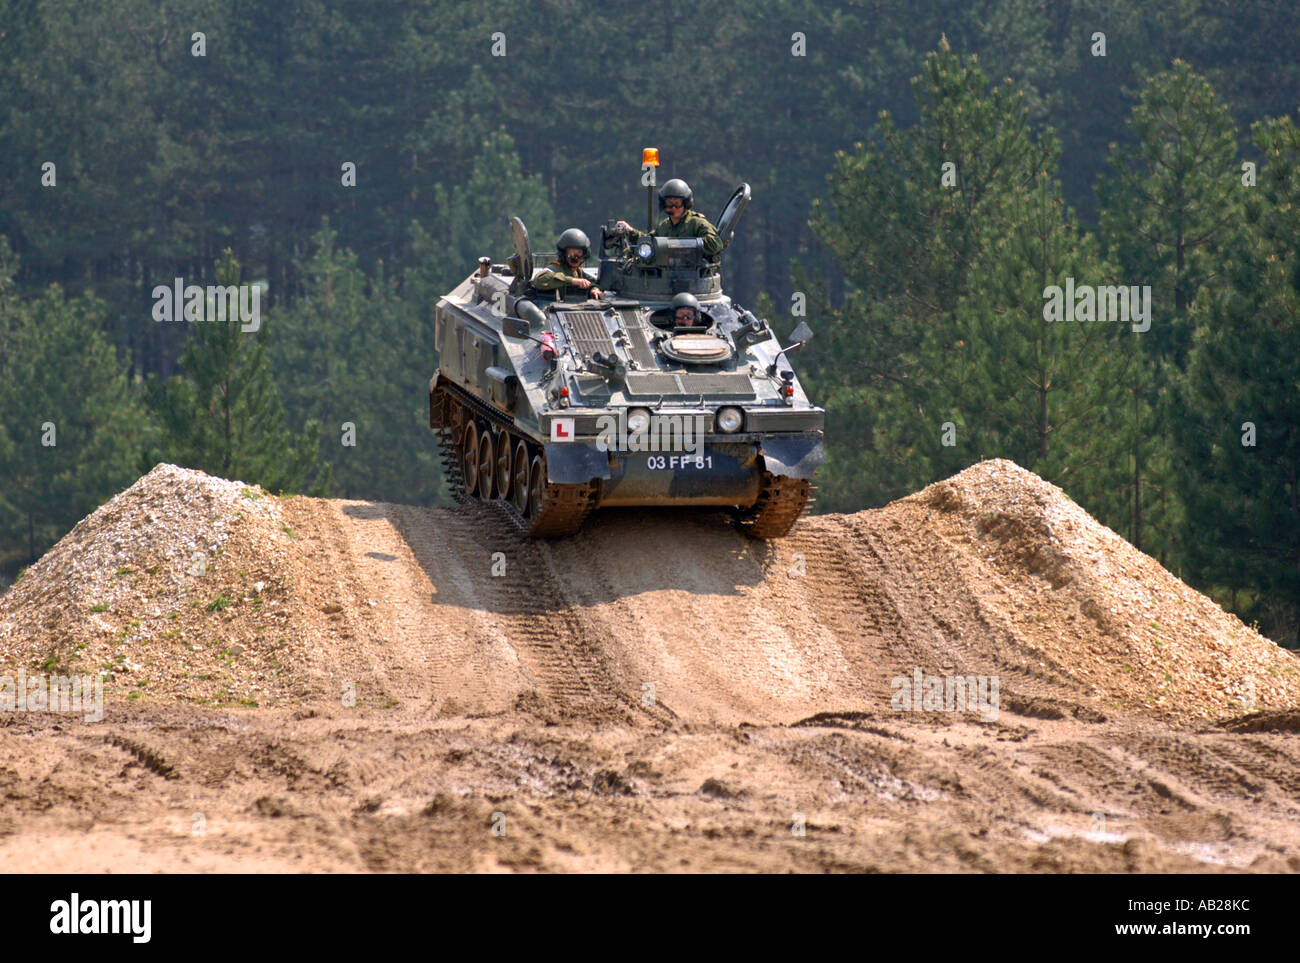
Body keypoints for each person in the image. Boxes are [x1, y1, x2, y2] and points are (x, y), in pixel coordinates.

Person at [616, 179, 723, 258]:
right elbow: (649, 241)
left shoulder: (697, 223)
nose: (673, 207)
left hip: (692, 276)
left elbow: (716, 243)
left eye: (677, 203)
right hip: (666, 275)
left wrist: (686, 245)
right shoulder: (665, 226)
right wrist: (630, 231)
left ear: (686, 203)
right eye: (669, 203)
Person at [532, 228, 603, 299]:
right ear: (564, 253)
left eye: (579, 253)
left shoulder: (578, 271)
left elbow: (591, 282)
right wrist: (572, 281)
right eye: (571, 253)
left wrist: (593, 289)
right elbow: (539, 280)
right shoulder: (556, 268)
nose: (575, 257)